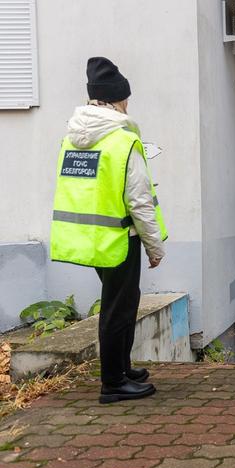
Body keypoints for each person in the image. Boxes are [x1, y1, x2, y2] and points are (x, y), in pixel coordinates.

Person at [50, 57, 167, 403]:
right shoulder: (122, 142)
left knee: (120, 304)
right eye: (126, 98)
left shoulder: (72, 141)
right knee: (119, 309)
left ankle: (122, 367)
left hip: (93, 238)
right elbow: (140, 202)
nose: (129, 104)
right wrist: (154, 247)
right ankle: (113, 382)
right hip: (120, 238)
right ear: (117, 101)